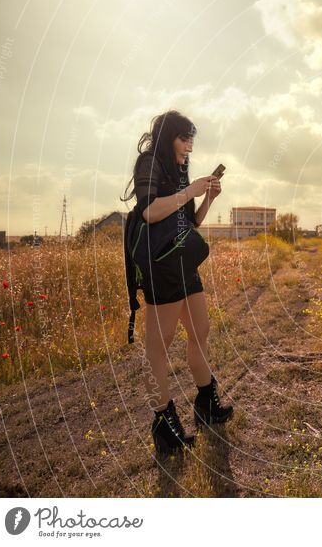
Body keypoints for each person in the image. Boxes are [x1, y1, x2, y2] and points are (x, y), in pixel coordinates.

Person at [120, 110, 233, 455]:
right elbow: (150, 211)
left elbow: (190, 222)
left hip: (183, 260)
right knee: (159, 344)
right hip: (160, 265)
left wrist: (208, 196)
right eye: (185, 139)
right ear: (169, 136)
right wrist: (190, 191)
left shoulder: (181, 170)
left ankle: (205, 402)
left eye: (192, 140)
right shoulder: (148, 163)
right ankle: (163, 423)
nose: (189, 147)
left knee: (201, 330)